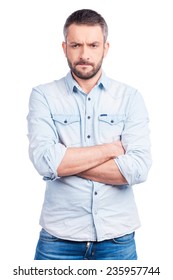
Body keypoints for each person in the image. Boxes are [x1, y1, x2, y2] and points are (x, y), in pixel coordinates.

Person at [27, 9, 152, 260]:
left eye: (93, 45)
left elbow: (138, 168)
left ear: (105, 48)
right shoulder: (43, 96)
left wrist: (65, 162)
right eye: (76, 45)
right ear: (64, 47)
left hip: (118, 240)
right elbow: (44, 161)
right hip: (57, 241)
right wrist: (110, 150)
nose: (84, 54)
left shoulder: (130, 98)